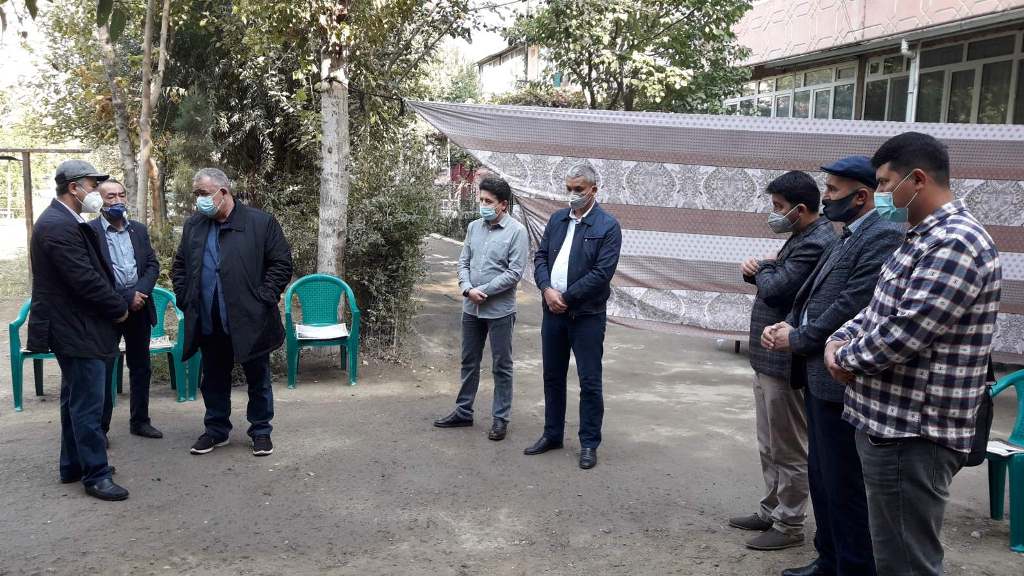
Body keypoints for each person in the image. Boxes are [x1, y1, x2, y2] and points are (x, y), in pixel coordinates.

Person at [825, 132, 1001, 576]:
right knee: (893, 556)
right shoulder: (920, 237)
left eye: (885, 183)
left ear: (918, 179)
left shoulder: (955, 242)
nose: (880, 194)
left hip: (912, 433)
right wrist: (837, 340)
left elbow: (904, 332)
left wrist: (843, 359)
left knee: (906, 564)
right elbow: (877, 310)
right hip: (889, 425)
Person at [763, 157, 904, 576]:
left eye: (832, 190)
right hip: (817, 371)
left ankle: (852, 566)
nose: (825, 197)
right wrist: (791, 325)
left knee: (843, 483)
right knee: (823, 477)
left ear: (860, 197)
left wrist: (799, 337)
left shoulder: (880, 236)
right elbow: (814, 294)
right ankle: (829, 559)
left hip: (839, 374)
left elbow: (852, 304)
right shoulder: (847, 234)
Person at [729, 171, 835, 551]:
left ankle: (789, 523)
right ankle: (770, 509)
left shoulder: (817, 241)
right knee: (769, 443)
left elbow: (776, 289)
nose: (773, 213)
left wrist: (763, 268)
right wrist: (765, 268)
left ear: (800, 209)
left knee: (788, 447)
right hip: (768, 358)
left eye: (778, 207)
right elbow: (775, 278)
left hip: (785, 361)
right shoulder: (802, 235)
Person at [27, 159, 130, 501]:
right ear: (74, 188)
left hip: (78, 325)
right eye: (93, 185)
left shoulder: (67, 220)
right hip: (75, 327)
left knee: (75, 398)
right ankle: (96, 475)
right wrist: (119, 308)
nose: (97, 191)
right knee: (88, 404)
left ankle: (72, 465)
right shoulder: (57, 225)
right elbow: (84, 279)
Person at [171, 168, 293, 457]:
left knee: (258, 378)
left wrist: (264, 298)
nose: (198, 199)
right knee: (213, 378)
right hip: (209, 319)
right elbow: (180, 266)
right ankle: (216, 430)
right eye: (196, 194)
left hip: (251, 319)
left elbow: (281, 263)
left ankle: (261, 431)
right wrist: (186, 297)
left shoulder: (259, 222)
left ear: (222, 192)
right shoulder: (194, 226)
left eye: (203, 193)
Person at [526, 163, 621, 470]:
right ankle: (552, 434)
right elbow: (541, 257)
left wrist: (565, 298)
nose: (572, 194)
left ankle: (589, 443)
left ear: (593, 190)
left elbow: (601, 273)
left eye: (578, 189)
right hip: (552, 313)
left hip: (586, 316)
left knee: (589, 381)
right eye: (568, 188)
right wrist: (546, 289)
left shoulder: (608, 226)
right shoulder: (557, 219)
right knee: (552, 376)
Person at [434, 177, 529, 440]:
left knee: (501, 365)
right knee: (469, 361)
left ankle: (500, 418)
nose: (483, 205)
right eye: (481, 200)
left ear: (503, 205)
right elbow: (463, 262)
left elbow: (514, 272)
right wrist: (467, 289)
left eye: (489, 201)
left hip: (500, 310)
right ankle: (463, 411)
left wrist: (483, 291)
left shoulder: (517, 232)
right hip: (471, 308)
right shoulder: (473, 227)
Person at [89, 179, 163, 441]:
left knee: (141, 367)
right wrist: (125, 297)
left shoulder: (138, 230)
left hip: (139, 309)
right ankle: (100, 430)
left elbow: (152, 265)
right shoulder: (89, 232)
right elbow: (93, 276)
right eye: (111, 196)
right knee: (105, 369)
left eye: (121, 195)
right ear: (100, 201)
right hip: (107, 311)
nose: (118, 200)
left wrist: (139, 292)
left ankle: (140, 421)